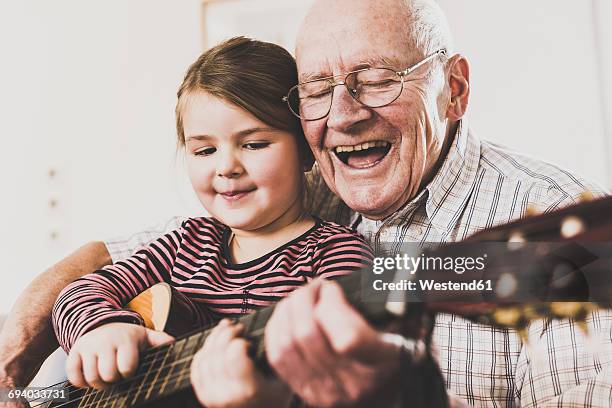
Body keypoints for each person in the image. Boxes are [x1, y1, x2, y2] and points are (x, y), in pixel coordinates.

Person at [1, 0, 611, 407]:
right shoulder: (288, 191)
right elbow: (97, 265)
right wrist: (34, 352)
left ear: (452, 89)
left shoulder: (542, 226)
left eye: (376, 79)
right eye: (317, 89)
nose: (343, 116)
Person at [50, 36, 372, 406]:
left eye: (254, 144)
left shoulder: (335, 255)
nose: (227, 167)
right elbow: (78, 292)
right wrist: (103, 329)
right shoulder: (187, 243)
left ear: (305, 149)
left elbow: (341, 381)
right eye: (204, 150)